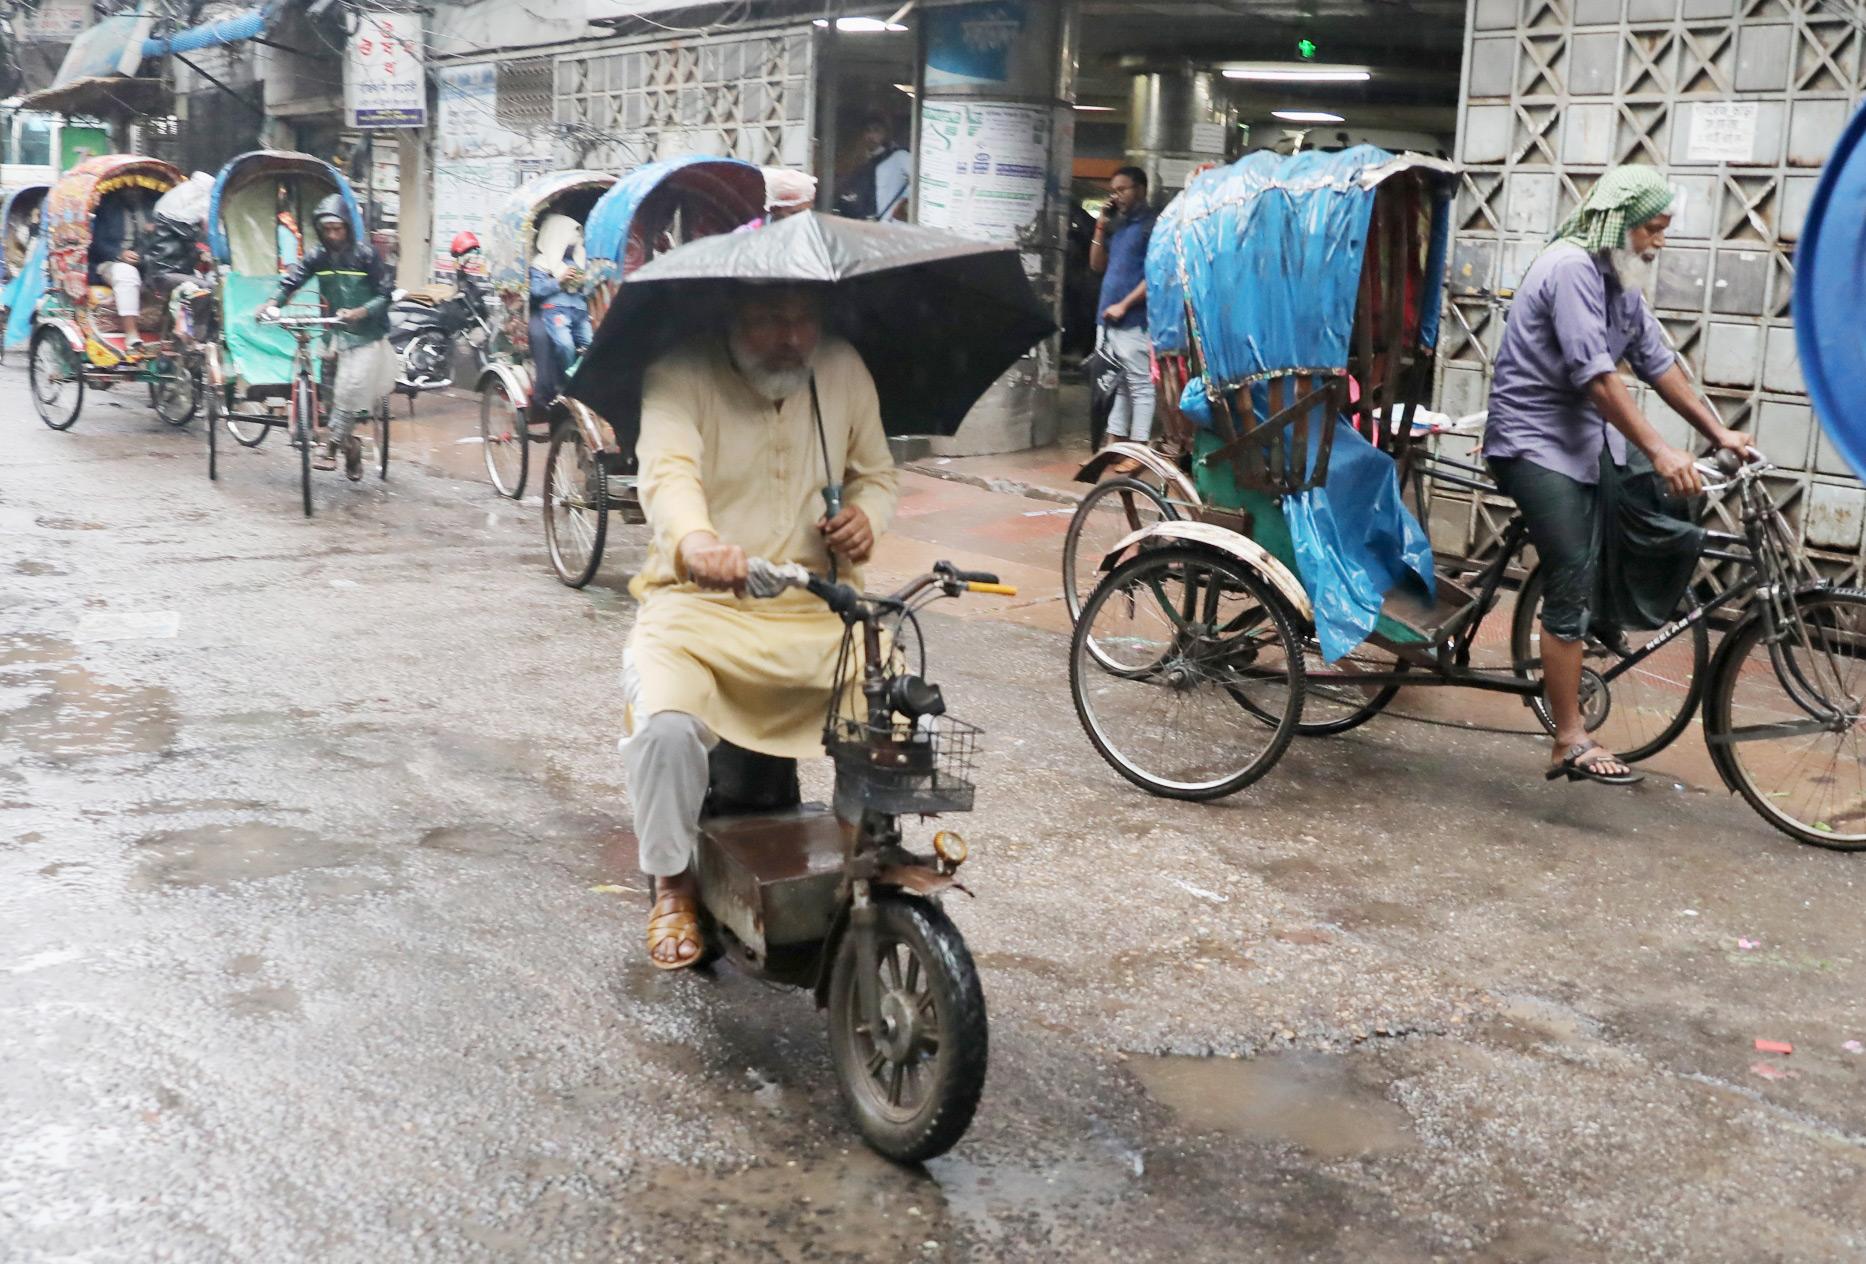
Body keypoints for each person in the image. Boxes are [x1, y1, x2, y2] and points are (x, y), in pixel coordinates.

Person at [618, 284, 899, 969]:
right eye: (771, 317)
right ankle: (673, 884)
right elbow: (667, 474)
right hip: (699, 607)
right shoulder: (679, 374)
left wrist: (867, 517)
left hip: (814, 606)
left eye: (804, 317)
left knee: (894, 707)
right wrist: (695, 540)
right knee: (666, 726)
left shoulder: (842, 369)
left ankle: (865, 862)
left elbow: (878, 478)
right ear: (731, 317)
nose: (792, 335)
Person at [1484, 165, 1749, 787]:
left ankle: (1599, 617)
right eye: (1652, 230)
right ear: (1619, 224)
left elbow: (1657, 361)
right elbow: (1597, 376)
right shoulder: (1570, 267)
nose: (1656, 244)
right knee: (1571, 570)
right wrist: (1658, 447)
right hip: (1532, 443)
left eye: (1663, 231)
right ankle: (1568, 737)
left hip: (1587, 439)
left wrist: (1718, 434)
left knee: (1664, 506)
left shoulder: (1619, 278)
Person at [262, 195, 395, 480]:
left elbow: (385, 295)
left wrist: (362, 311)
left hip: (367, 335)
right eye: (328, 230)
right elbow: (293, 279)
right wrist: (274, 302)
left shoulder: (367, 255)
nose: (333, 235)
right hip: (335, 333)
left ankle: (330, 449)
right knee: (332, 399)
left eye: (338, 229)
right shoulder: (316, 256)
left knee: (350, 389)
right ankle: (352, 447)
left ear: (347, 227)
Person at [1089, 167, 1158, 460]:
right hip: (1107, 319)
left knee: (1140, 385)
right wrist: (1101, 226)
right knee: (1115, 383)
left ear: (1140, 189)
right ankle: (1114, 444)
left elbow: (1154, 274)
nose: (1116, 196)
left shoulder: (1152, 225)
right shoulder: (1117, 224)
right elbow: (1097, 265)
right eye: (1112, 191)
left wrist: (1125, 304)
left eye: (1122, 189)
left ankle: (1139, 450)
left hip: (1135, 320)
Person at [528, 213, 591, 410]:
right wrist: (559, 281)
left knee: (593, 345)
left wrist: (584, 281)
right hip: (554, 312)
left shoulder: (579, 261)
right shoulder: (542, 263)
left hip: (580, 310)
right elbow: (536, 290)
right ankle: (565, 386)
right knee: (565, 345)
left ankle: (585, 384)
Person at [91, 188, 155, 353]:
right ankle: (131, 333)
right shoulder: (107, 208)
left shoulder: (152, 207)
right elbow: (97, 244)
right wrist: (119, 255)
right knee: (126, 273)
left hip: (147, 262)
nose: (133, 190)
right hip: (111, 263)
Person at [835, 115, 911, 221]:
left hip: (891, 226)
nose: (871, 136)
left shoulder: (899, 156)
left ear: (885, 133)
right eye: (868, 131)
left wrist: (904, 203)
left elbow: (919, 181)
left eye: (876, 131)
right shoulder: (860, 162)